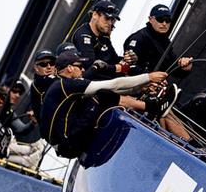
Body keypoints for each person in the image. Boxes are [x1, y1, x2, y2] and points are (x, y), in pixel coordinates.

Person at [39, 52, 171, 158]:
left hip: (64, 144)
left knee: (101, 95)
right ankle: (153, 108)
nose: (83, 69)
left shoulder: (61, 85)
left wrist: (139, 88)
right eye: (80, 66)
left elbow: (112, 88)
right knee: (102, 96)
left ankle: (151, 107)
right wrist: (148, 77)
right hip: (69, 145)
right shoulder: (67, 85)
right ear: (69, 68)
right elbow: (113, 85)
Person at [123, 4, 193, 77]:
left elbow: (172, 68)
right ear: (150, 19)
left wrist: (185, 68)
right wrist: (149, 79)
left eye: (168, 20)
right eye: (160, 19)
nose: (164, 24)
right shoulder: (138, 38)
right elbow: (129, 67)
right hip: (137, 85)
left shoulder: (165, 41)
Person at [70, 0, 135, 75]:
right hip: (91, 81)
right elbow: (91, 67)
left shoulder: (104, 36)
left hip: (107, 78)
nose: (110, 23)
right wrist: (118, 68)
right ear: (95, 15)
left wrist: (129, 60)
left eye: (112, 20)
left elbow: (114, 59)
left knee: (137, 70)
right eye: (107, 18)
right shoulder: (83, 35)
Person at [30, 49, 57, 120]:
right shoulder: (36, 86)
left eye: (52, 63)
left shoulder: (60, 77)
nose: (49, 67)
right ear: (36, 68)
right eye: (44, 64)